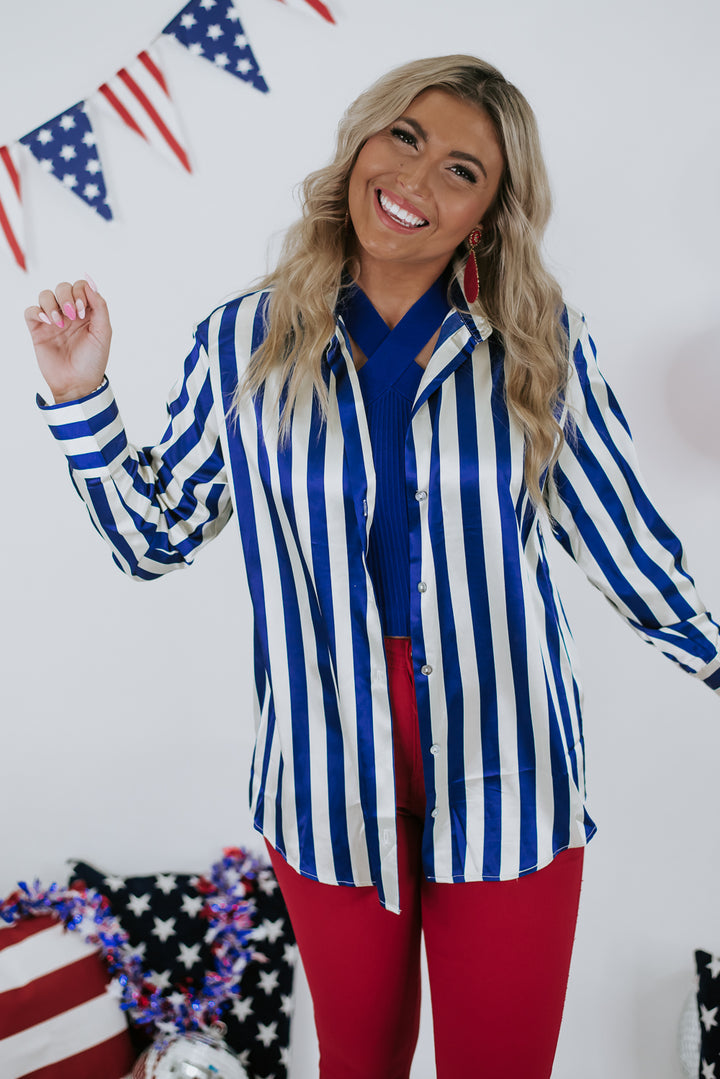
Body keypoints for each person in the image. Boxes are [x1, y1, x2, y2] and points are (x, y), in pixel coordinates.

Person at [25, 54, 719, 1079]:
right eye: (406, 137)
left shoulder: (540, 347)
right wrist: (81, 396)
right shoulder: (244, 340)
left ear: (486, 215)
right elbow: (150, 539)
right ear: (361, 144)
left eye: (461, 170)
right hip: (321, 765)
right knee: (357, 1061)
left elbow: (629, 548)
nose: (417, 178)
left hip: (508, 760)